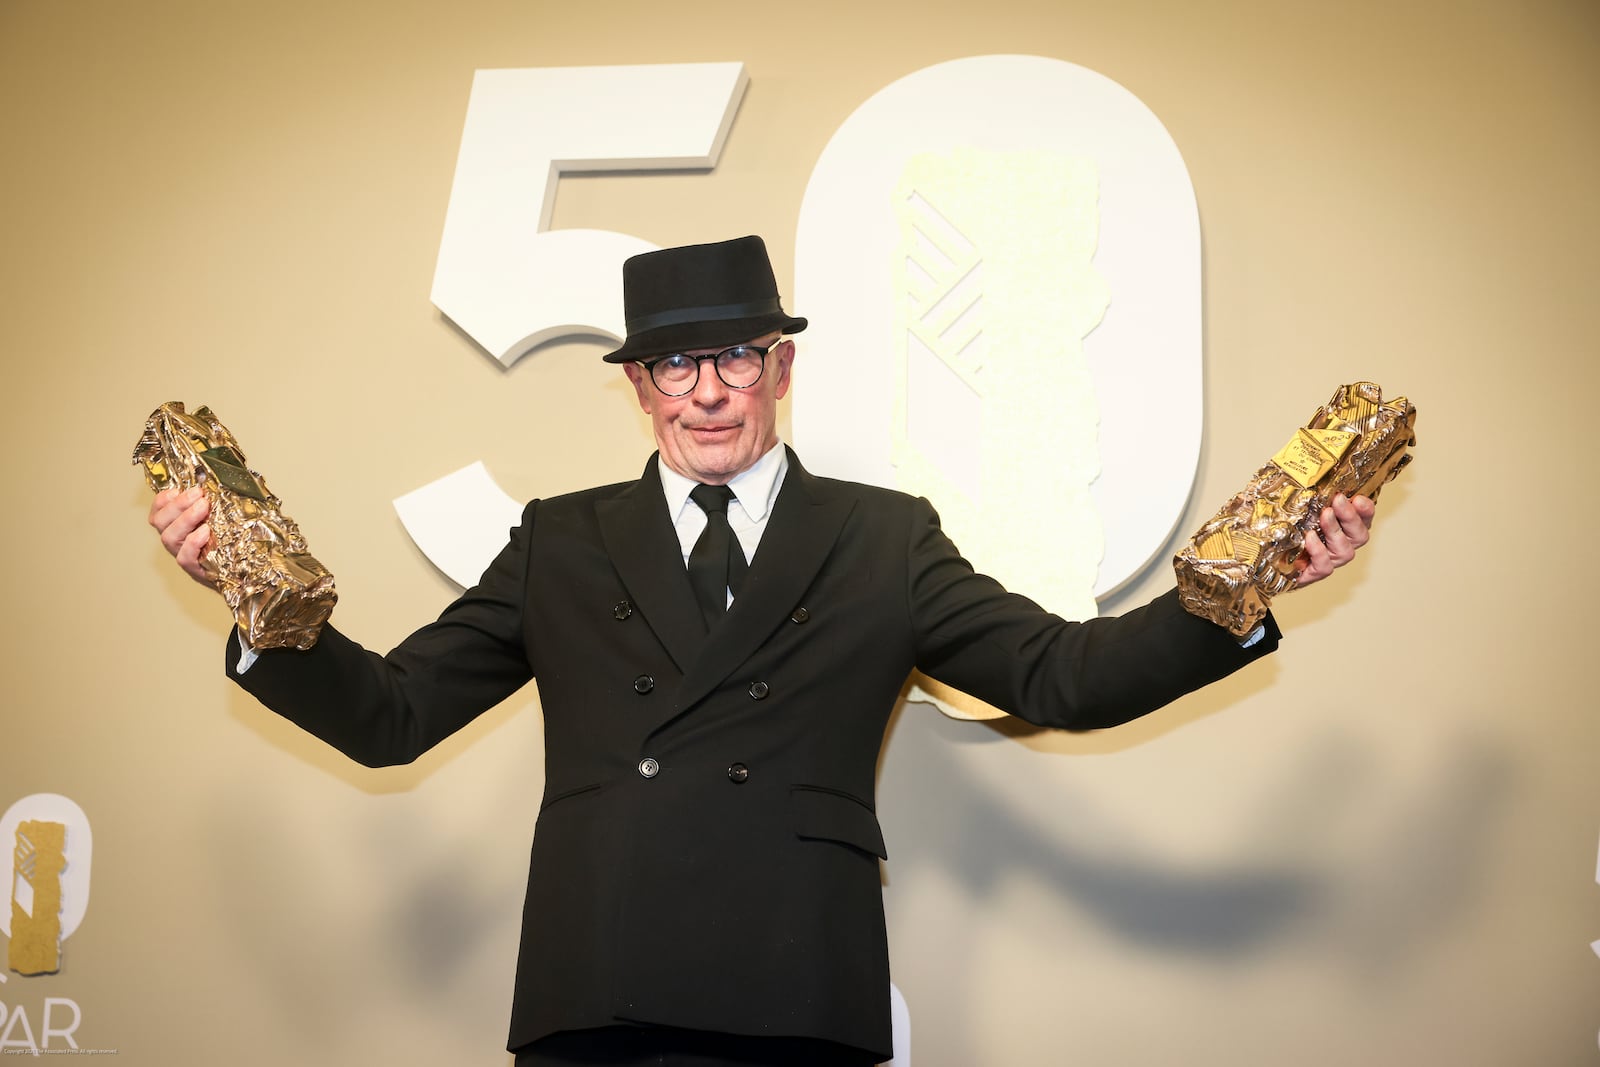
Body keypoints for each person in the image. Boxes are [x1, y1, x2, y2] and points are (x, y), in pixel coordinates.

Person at [148, 235, 1375, 1066]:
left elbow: (1064, 674)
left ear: (780, 366)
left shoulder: (881, 535)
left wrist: (1252, 580)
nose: (707, 391)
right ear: (636, 385)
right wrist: (249, 593)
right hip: (598, 994)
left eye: (735, 355)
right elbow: (392, 712)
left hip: (795, 987)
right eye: (674, 361)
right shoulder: (563, 539)